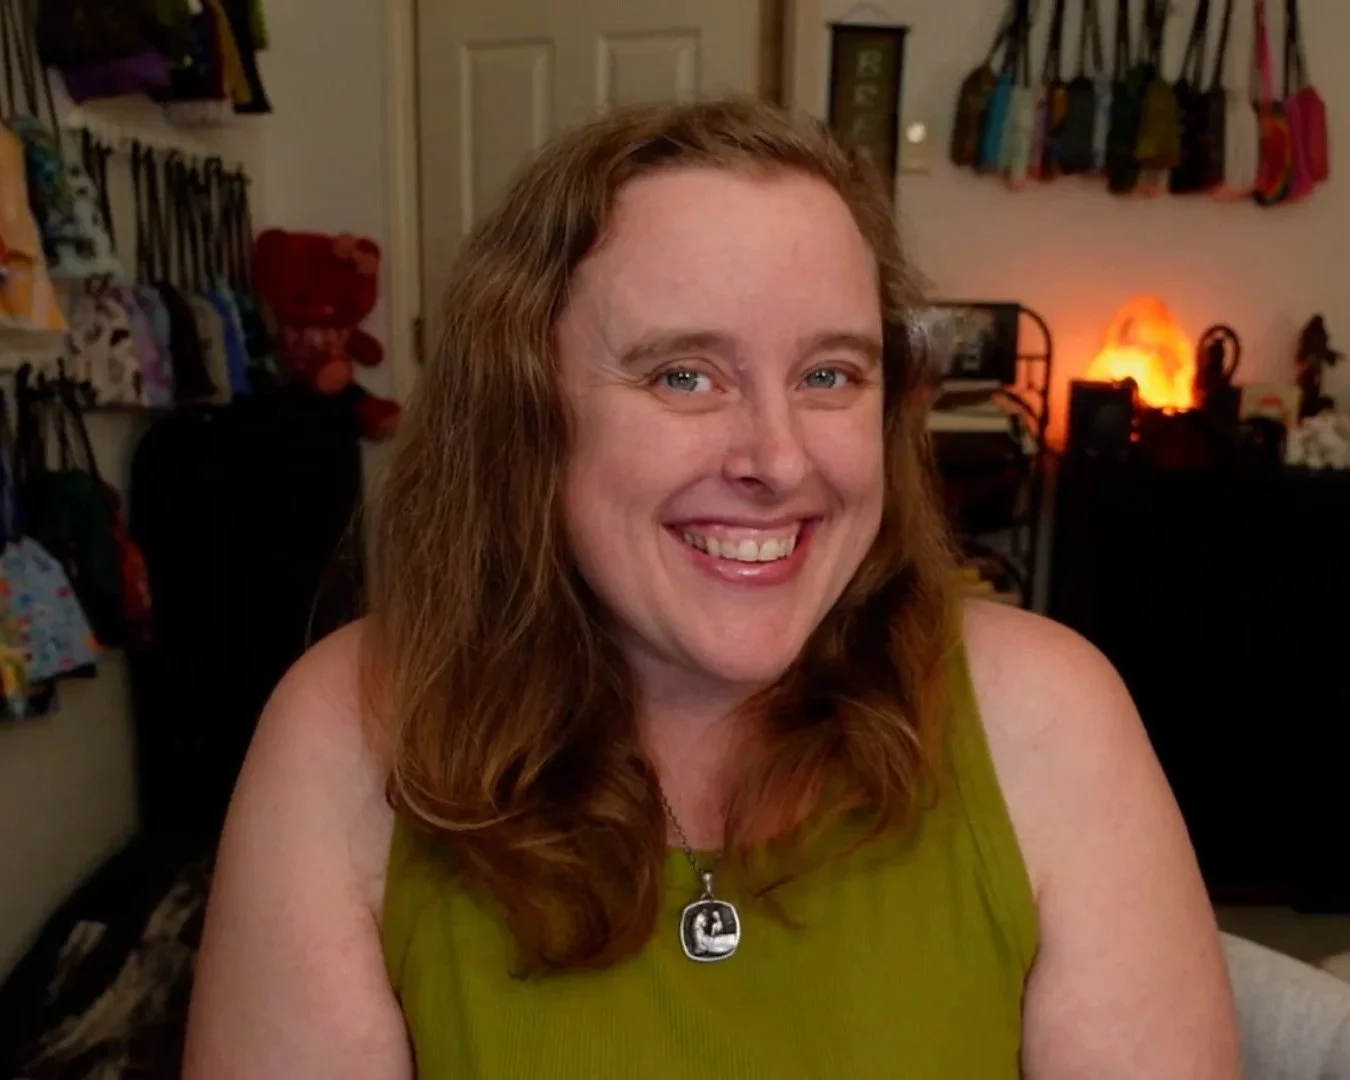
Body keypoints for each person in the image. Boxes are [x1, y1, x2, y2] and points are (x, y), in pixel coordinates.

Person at [182, 99, 1239, 1078]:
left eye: (829, 374)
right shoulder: (354, 730)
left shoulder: (1047, 720)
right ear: (527, 415)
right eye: (684, 374)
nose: (777, 460)